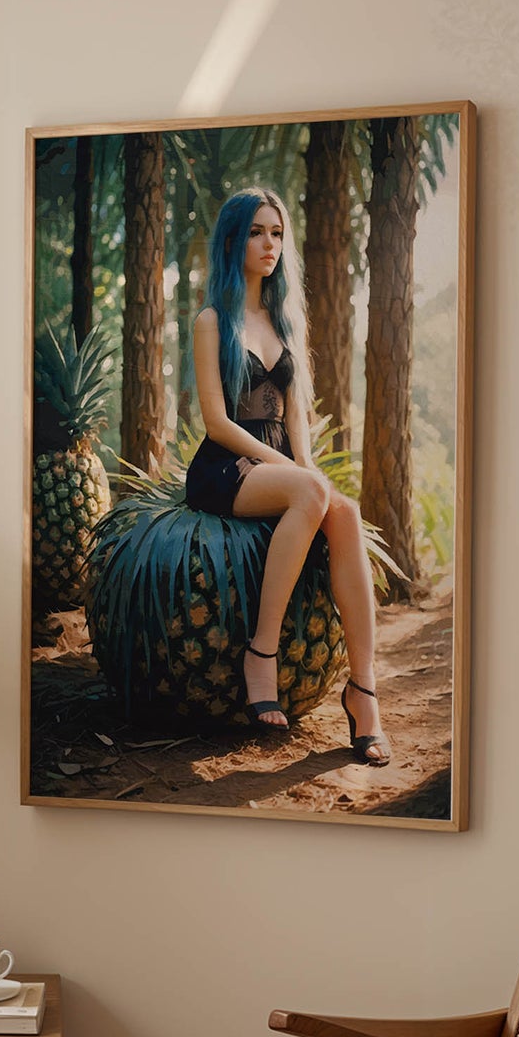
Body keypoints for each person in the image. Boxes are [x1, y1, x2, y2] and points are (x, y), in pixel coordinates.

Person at [184, 187, 390, 766]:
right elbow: (217, 422)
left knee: (343, 512)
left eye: (276, 232)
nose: (268, 243)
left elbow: (296, 413)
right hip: (226, 464)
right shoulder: (211, 321)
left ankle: (365, 689)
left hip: (279, 461)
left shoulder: (284, 320)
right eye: (255, 231)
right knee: (311, 491)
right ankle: (262, 653)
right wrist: (293, 474)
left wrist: (309, 473)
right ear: (233, 239)